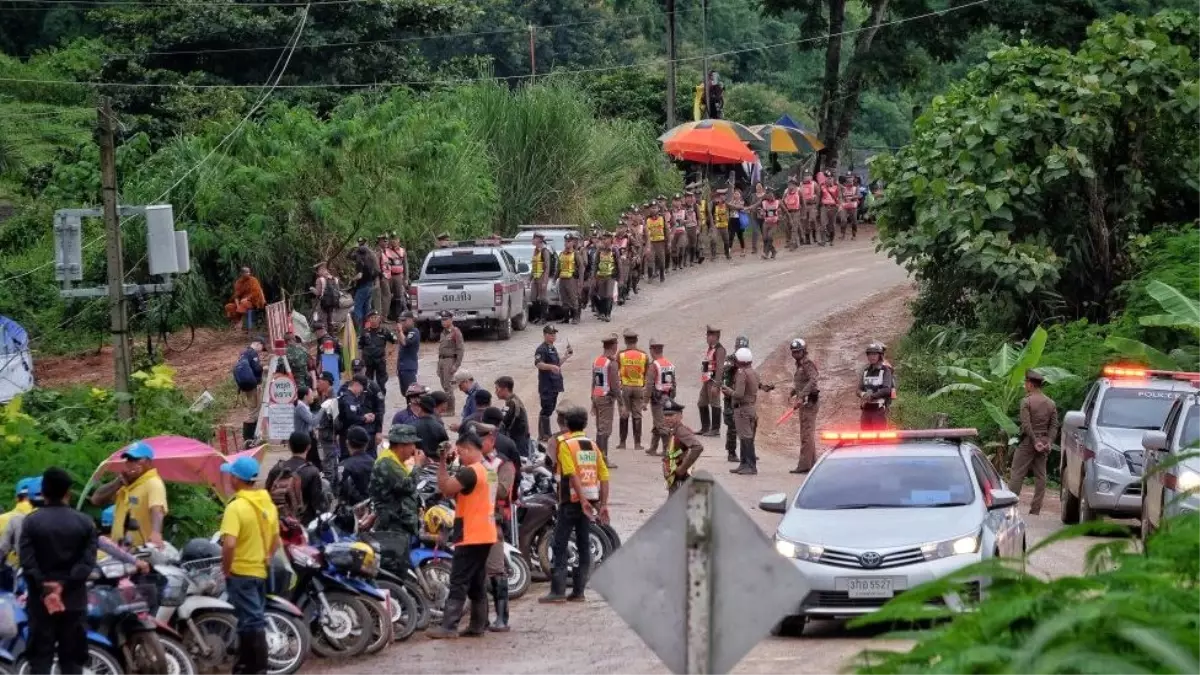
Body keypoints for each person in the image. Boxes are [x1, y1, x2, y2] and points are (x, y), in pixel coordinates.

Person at [19, 468, 96, 675]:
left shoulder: (31, 522)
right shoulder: (85, 523)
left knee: (40, 660)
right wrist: (64, 586)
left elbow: (27, 562)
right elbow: (87, 563)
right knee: (71, 662)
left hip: (40, 603)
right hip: (74, 602)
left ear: (43, 492)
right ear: (67, 493)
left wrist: (46, 587)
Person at [427, 430, 498, 639]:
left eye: (460, 452)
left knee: (458, 580)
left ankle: (448, 626)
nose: (459, 456)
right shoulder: (490, 470)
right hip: (487, 532)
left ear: (467, 449)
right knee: (476, 581)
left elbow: (446, 489)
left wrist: (441, 461)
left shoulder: (470, 472)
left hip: (471, 533)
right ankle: (478, 625)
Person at [539, 406, 609, 604]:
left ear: (566, 425)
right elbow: (604, 475)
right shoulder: (592, 445)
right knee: (583, 543)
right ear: (585, 424)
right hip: (590, 501)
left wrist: (582, 499)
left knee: (559, 544)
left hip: (570, 501)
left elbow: (570, 474)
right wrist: (602, 504)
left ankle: (558, 591)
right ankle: (579, 592)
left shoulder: (565, 444)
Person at [218, 457, 278, 675]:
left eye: (231, 474)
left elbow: (229, 543)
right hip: (260, 571)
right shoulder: (266, 503)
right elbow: (276, 539)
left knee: (252, 621)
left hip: (241, 572)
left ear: (236, 478)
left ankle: (257, 669)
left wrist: (226, 568)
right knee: (249, 619)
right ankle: (243, 667)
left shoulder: (236, 507)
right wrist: (267, 557)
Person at [471, 422, 516, 633]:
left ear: (491, 439)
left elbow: (503, 491)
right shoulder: (471, 463)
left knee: (496, 570)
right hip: (473, 522)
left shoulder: (503, 464)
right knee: (475, 572)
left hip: (493, 522)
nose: (478, 445)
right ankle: (480, 620)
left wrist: (483, 474)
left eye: (481, 440)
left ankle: (502, 618)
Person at [370, 425, 426, 578]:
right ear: (401, 445)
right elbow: (408, 486)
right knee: (394, 569)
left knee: (401, 565)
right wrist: (418, 465)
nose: (414, 448)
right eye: (412, 444)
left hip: (400, 523)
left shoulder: (395, 461)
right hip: (393, 525)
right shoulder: (387, 463)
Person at [90, 441, 167, 548]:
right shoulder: (126, 484)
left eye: (135, 460)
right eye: (128, 460)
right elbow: (96, 500)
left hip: (139, 552)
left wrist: (156, 533)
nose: (130, 463)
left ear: (148, 462)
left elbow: (157, 510)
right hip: (119, 550)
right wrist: (118, 482)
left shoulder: (153, 483)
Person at [1008, 370, 1059, 516]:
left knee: (1017, 473)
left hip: (1028, 442)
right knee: (1041, 476)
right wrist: (1048, 441)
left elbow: (1026, 425)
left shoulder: (1026, 401)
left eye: (1026, 383)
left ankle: (1011, 506)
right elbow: (1054, 425)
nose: (1025, 386)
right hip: (1043, 443)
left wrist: (1034, 441)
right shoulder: (1051, 403)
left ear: (1030, 384)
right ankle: (1035, 510)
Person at [265, 431, 324, 525]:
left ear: (289, 446)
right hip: (302, 523)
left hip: (279, 522)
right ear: (309, 447)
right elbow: (317, 503)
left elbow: (266, 493)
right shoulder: (312, 471)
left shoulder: (277, 468)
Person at [724, 347, 761, 475]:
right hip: (750, 407)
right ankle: (744, 464)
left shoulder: (741, 373)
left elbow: (739, 394)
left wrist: (727, 390)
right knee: (746, 437)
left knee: (746, 438)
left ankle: (750, 465)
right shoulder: (753, 372)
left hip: (742, 409)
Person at [787, 338, 820, 474]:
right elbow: (803, 381)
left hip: (809, 402)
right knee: (807, 433)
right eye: (794, 352)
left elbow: (814, 379)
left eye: (798, 352)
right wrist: (795, 391)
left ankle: (804, 465)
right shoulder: (800, 364)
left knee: (807, 434)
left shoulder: (807, 363)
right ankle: (812, 464)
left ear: (804, 351)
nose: (796, 354)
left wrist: (801, 395)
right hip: (805, 402)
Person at [590, 333, 622, 468]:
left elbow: (593, 382)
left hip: (597, 396)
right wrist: (621, 402)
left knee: (599, 429)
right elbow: (615, 385)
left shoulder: (597, 360)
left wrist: (592, 400)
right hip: (607, 399)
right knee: (605, 430)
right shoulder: (612, 363)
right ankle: (602, 459)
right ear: (613, 346)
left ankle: (598, 457)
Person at [534, 325, 570, 443]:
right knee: (546, 409)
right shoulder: (541, 349)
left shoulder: (552, 348)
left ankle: (544, 433)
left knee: (550, 408)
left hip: (555, 384)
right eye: (551, 334)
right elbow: (539, 364)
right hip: (546, 384)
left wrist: (566, 356)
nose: (553, 336)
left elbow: (557, 364)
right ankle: (545, 434)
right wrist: (551, 367)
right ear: (545, 335)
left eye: (554, 334)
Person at [661, 400, 704, 497]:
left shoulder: (681, 431)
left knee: (675, 507)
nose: (667, 418)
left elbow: (697, 447)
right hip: (674, 478)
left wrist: (682, 469)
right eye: (665, 415)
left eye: (671, 415)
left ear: (680, 416)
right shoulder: (674, 430)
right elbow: (679, 450)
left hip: (680, 479)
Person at [616, 328, 649, 453]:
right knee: (637, 415)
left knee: (624, 413)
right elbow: (647, 372)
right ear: (636, 340)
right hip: (639, 387)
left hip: (625, 387)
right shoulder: (643, 355)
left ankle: (622, 443)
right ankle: (637, 443)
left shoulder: (621, 354)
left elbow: (616, 369)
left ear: (625, 340)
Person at [645, 337, 676, 457]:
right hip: (667, 397)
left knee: (661, 425)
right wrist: (671, 398)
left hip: (657, 398)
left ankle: (666, 449)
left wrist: (645, 401)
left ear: (652, 350)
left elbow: (649, 384)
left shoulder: (654, 365)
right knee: (657, 422)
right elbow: (674, 383)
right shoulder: (669, 364)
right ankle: (653, 447)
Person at [859, 342, 895, 430]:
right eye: (870, 354)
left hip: (879, 409)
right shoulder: (865, 371)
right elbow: (859, 389)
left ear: (880, 355)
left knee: (879, 438)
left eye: (875, 354)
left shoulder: (886, 370)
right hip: (866, 409)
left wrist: (872, 396)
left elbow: (887, 389)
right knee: (865, 437)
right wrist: (862, 394)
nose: (872, 357)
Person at [358, 311, 396, 394]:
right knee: (368, 382)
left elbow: (394, 341)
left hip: (380, 360)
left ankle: (381, 398)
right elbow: (360, 347)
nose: (374, 320)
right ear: (368, 320)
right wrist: (361, 360)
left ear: (379, 319)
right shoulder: (364, 332)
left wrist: (391, 351)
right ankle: (369, 399)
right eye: (372, 318)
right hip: (368, 361)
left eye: (375, 317)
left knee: (381, 382)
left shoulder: (385, 331)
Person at [698, 325, 726, 437]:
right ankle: (705, 427)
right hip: (707, 380)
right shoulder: (711, 348)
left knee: (715, 403)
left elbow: (720, 368)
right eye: (707, 335)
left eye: (709, 335)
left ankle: (715, 429)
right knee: (702, 402)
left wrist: (716, 384)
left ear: (715, 336)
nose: (707, 338)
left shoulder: (720, 350)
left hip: (713, 380)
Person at [436, 311, 465, 416]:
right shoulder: (443, 333)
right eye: (442, 320)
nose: (443, 322)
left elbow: (460, 350)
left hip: (449, 360)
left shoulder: (455, 332)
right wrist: (439, 365)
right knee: (444, 385)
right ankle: (446, 407)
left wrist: (456, 365)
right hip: (442, 360)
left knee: (448, 386)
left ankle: (450, 410)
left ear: (451, 320)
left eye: (445, 319)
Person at [338, 426, 375, 505]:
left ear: (347, 443)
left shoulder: (344, 466)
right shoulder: (375, 462)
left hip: (352, 511)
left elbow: (340, 491)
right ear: (366, 444)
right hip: (373, 508)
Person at [494, 376, 531, 453]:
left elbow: (504, 423)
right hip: (521, 438)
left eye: (497, 389)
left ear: (505, 389)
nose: (495, 392)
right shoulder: (513, 400)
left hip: (519, 441)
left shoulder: (512, 403)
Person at [226, 267, 267, 332]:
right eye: (246, 272)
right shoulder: (238, 282)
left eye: (249, 272)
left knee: (244, 303)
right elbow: (236, 296)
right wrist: (238, 306)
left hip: (254, 301)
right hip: (242, 303)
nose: (248, 273)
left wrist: (247, 299)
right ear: (242, 273)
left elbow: (256, 292)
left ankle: (240, 323)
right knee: (229, 306)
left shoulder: (253, 280)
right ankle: (238, 323)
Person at [350, 239, 379, 329]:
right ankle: (367, 329)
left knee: (357, 309)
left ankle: (358, 330)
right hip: (370, 286)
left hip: (362, 287)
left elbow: (359, 275)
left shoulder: (360, 262)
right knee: (366, 309)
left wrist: (352, 279)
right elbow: (377, 273)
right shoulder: (371, 261)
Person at [413, 394, 451, 460]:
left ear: (420, 408)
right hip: (436, 463)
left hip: (417, 461)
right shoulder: (439, 426)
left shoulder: (412, 426)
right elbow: (445, 447)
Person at [232, 336, 266, 410]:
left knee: (251, 404)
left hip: (247, 384)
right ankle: (252, 420)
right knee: (255, 406)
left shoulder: (244, 352)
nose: (261, 350)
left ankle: (252, 419)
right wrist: (264, 368)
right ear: (258, 344)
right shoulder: (253, 353)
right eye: (262, 347)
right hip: (254, 384)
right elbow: (257, 369)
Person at [592, 233, 619, 322]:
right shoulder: (599, 250)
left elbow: (619, 264)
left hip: (610, 276)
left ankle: (608, 314)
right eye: (603, 239)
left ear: (611, 239)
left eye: (607, 239)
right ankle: (602, 313)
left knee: (608, 295)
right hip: (600, 276)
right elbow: (596, 264)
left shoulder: (614, 250)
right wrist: (594, 277)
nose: (605, 241)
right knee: (601, 295)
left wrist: (621, 278)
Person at [528, 234, 553, 324]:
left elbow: (547, 267)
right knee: (533, 298)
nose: (532, 240)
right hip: (535, 278)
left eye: (534, 239)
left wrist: (545, 282)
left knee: (542, 298)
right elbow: (534, 266)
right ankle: (537, 317)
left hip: (542, 278)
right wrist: (529, 279)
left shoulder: (544, 251)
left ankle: (543, 318)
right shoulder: (535, 251)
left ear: (539, 240)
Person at [382, 233, 408, 319]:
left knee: (398, 295)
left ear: (398, 240)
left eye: (395, 239)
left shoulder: (402, 251)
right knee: (387, 295)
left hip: (398, 276)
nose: (394, 241)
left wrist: (406, 278)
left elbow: (405, 265)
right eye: (392, 239)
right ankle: (387, 314)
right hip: (388, 275)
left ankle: (397, 315)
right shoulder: (385, 250)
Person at [396, 311, 421, 394]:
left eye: (404, 320)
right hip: (402, 367)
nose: (402, 323)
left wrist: (400, 331)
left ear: (411, 320)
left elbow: (405, 343)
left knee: (412, 393)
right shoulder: (404, 333)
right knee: (404, 393)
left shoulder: (414, 332)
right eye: (401, 321)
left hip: (409, 368)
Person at [558, 235, 581, 325]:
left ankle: (576, 317)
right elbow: (558, 267)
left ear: (572, 243)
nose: (566, 243)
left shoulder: (575, 254)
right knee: (564, 299)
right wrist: (555, 278)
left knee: (573, 298)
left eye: (569, 241)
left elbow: (581, 267)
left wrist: (580, 281)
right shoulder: (561, 254)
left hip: (571, 279)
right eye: (565, 241)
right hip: (562, 278)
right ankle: (566, 318)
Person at [311, 262, 341, 330]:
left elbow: (318, 293)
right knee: (330, 319)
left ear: (321, 270)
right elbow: (338, 290)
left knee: (322, 320)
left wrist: (312, 289)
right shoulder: (334, 279)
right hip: (333, 302)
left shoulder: (320, 280)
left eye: (318, 270)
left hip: (324, 303)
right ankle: (332, 334)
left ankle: (325, 336)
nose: (317, 273)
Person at [644, 204, 667, 283]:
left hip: (660, 242)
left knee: (661, 259)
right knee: (650, 258)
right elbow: (646, 232)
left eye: (655, 208)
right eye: (652, 208)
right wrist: (646, 244)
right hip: (651, 242)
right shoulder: (647, 219)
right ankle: (650, 277)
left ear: (658, 209)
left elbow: (666, 230)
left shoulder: (662, 218)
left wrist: (668, 241)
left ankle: (662, 275)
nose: (653, 210)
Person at [759, 188, 782, 259]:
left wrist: (788, 218)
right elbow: (756, 207)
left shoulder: (778, 202)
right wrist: (760, 212)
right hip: (766, 223)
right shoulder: (764, 202)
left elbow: (785, 210)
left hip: (774, 223)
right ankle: (773, 251)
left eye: (772, 196)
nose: (771, 197)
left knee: (769, 237)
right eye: (769, 196)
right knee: (765, 238)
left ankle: (765, 253)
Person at [819, 173, 839, 247]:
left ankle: (831, 240)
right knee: (823, 224)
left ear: (833, 179)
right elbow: (819, 197)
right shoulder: (822, 187)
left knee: (832, 225)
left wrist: (839, 207)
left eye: (830, 178)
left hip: (833, 207)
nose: (829, 179)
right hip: (824, 207)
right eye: (827, 178)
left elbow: (840, 197)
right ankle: (823, 241)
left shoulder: (837, 187)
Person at [799, 173, 819, 245]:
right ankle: (807, 239)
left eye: (808, 176)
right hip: (804, 206)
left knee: (813, 220)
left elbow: (818, 193)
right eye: (805, 176)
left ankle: (814, 236)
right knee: (805, 222)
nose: (807, 177)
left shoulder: (814, 184)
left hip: (812, 205)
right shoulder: (801, 184)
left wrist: (816, 204)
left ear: (811, 177)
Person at [782, 178, 802, 250]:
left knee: (794, 227)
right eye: (789, 184)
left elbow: (802, 201)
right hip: (788, 212)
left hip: (796, 212)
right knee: (787, 227)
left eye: (792, 184)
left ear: (795, 185)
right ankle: (793, 241)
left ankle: (793, 244)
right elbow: (782, 202)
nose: (790, 186)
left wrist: (803, 211)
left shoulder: (799, 190)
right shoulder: (786, 191)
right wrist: (783, 212)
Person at [839, 172, 859, 240]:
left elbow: (858, 195)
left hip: (853, 206)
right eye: (848, 177)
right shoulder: (842, 187)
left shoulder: (856, 187)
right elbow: (840, 196)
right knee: (843, 220)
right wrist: (841, 202)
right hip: (844, 206)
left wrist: (852, 197)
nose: (849, 179)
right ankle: (842, 234)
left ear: (853, 178)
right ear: (846, 178)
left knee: (854, 221)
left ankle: (854, 235)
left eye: (850, 177)